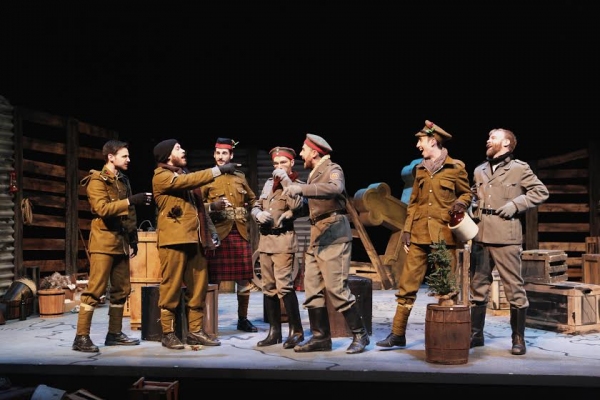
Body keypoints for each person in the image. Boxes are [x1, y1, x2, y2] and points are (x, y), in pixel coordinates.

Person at [376, 120, 472, 349]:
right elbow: (414, 203)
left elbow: (467, 194)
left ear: (432, 140)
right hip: (418, 234)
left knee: (446, 285)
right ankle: (397, 334)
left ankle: (448, 334)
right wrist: (407, 230)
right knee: (407, 284)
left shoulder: (455, 168)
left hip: (444, 236)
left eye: (421, 141)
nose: (418, 145)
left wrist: (460, 203)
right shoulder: (419, 169)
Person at [282, 133, 369, 354]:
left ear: (314, 152)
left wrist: (301, 189)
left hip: (333, 235)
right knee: (311, 288)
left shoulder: (333, 168)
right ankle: (321, 337)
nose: (301, 153)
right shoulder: (313, 174)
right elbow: (315, 205)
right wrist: (293, 211)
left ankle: (361, 335)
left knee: (336, 288)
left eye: (303, 149)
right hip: (317, 235)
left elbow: (335, 189)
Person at [469, 128, 549, 355]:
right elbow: (478, 195)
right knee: (477, 288)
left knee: (514, 288)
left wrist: (515, 205)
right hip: (481, 235)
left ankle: (518, 338)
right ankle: (476, 335)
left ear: (506, 143)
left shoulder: (519, 168)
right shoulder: (479, 170)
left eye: (493, 137)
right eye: (488, 137)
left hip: (506, 237)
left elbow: (540, 192)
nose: (488, 140)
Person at [152, 139, 235, 349]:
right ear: (167, 155)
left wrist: (211, 215)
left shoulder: (182, 175)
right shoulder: (161, 176)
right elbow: (188, 182)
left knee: (198, 287)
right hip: (174, 240)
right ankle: (168, 333)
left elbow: (193, 209)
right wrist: (218, 170)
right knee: (171, 287)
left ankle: (195, 331)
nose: (183, 150)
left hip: (194, 239)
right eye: (178, 148)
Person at [73, 139, 153, 352]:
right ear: (111, 157)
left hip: (121, 240)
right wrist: (130, 201)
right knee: (96, 288)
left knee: (122, 289)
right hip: (103, 241)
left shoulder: (122, 180)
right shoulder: (96, 180)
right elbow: (102, 208)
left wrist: (133, 237)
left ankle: (114, 333)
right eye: (124, 156)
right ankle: (81, 337)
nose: (129, 159)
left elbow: (130, 214)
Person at [201, 138, 258, 332]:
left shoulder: (240, 177)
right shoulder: (208, 177)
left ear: (231, 155)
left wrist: (253, 210)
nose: (220, 157)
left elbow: (252, 199)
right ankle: (210, 319)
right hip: (218, 233)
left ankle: (243, 319)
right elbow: (197, 206)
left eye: (224, 153)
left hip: (240, 232)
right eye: (217, 153)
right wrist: (213, 208)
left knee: (243, 279)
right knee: (213, 279)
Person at [251, 146, 305, 349]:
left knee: (284, 286)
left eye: (283, 162)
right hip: (265, 242)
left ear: (291, 163)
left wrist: (285, 180)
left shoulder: (297, 184)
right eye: (275, 164)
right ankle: (274, 332)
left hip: (283, 241)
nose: (278, 167)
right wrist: (257, 214)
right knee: (268, 288)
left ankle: (296, 331)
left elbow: (298, 205)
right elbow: (257, 204)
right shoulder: (267, 185)